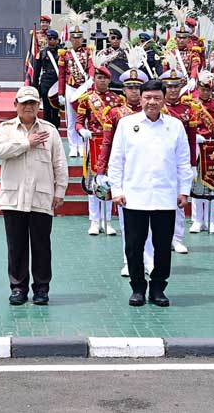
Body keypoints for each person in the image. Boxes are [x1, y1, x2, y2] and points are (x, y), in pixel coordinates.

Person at [107, 79, 193, 308]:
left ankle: (158, 287)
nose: (152, 102)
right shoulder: (127, 124)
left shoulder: (175, 126)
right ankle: (137, 287)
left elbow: (184, 162)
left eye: (156, 98)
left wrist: (184, 190)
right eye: (147, 98)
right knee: (134, 246)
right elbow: (116, 161)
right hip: (134, 196)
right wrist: (117, 190)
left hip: (166, 197)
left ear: (164, 100)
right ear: (140, 99)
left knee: (163, 246)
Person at [0, 86, 68, 305]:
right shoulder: (6, 128)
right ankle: (18, 288)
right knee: (16, 245)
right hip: (13, 198)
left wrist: (60, 191)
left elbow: (59, 163)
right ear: (15, 105)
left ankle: (42, 288)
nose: (28, 107)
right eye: (23, 103)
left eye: (32, 103)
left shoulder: (50, 130)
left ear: (38, 106)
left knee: (42, 245)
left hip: (41, 196)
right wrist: (27, 143)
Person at [95, 68, 151, 276]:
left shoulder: (155, 113)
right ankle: (130, 260)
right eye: (130, 88)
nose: (134, 92)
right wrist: (102, 170)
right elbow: (107, 143)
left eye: (138, 88)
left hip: (149, 171)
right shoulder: (115, 113)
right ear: (124, 90)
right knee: (128, 223)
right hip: (127, 173)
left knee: (152, 221)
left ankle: (149, 259)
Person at [75, 58, 122, 235]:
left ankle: (108, 220)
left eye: (105, 78)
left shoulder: (117, 99)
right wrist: (82, 131)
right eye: (98, 78)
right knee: (93, 182)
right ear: (94, 79)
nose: (101, 81)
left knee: (110, 180)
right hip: (93, 142)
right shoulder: (87, 99)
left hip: (111, 144)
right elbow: (78, 123)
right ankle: (94, 220)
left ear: (109, 80)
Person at [159, 71, 198, 254]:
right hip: (159, 161)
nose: (173, 90)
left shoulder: (188, 109)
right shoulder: (156, 107)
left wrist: (192, 164)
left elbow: (190, 140)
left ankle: (177, 238)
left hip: (178, 162)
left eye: (176, 86)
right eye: (169, 86)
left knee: (179, 202)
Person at [190, 71, 214, 234]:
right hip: (197, 143)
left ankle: (211, 220)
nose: (205, 92)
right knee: (197, 182)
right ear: (198, 88)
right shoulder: (191, 103)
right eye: (203, 89)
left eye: (208, 90)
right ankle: (197, 220)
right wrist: (193, 136)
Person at [58, 24, 93, 158]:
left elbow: (91, 67)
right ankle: (73, 146)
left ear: (82, 39)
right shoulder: (65, 54)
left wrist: (90, 79)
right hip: (70, 88)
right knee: (71, 119)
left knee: (85, 118)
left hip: (84, 88)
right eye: (74, 38)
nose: (77, 40)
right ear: (70, 39)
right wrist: (61, 93)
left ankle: (84, 146)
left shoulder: (88, 52)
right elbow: (61, 75)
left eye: (79, 38)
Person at [30, 29, 62, 127]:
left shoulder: (63, 53)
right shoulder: (42, 53)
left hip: (58, 83)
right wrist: (35, 88)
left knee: (56, 111)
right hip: (46, 84)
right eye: (49, 38)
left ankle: (55, 130)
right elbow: (36, 72)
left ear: (58, 40)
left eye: (54, 38)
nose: (52, 40)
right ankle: (48, 132)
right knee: (47, 111)